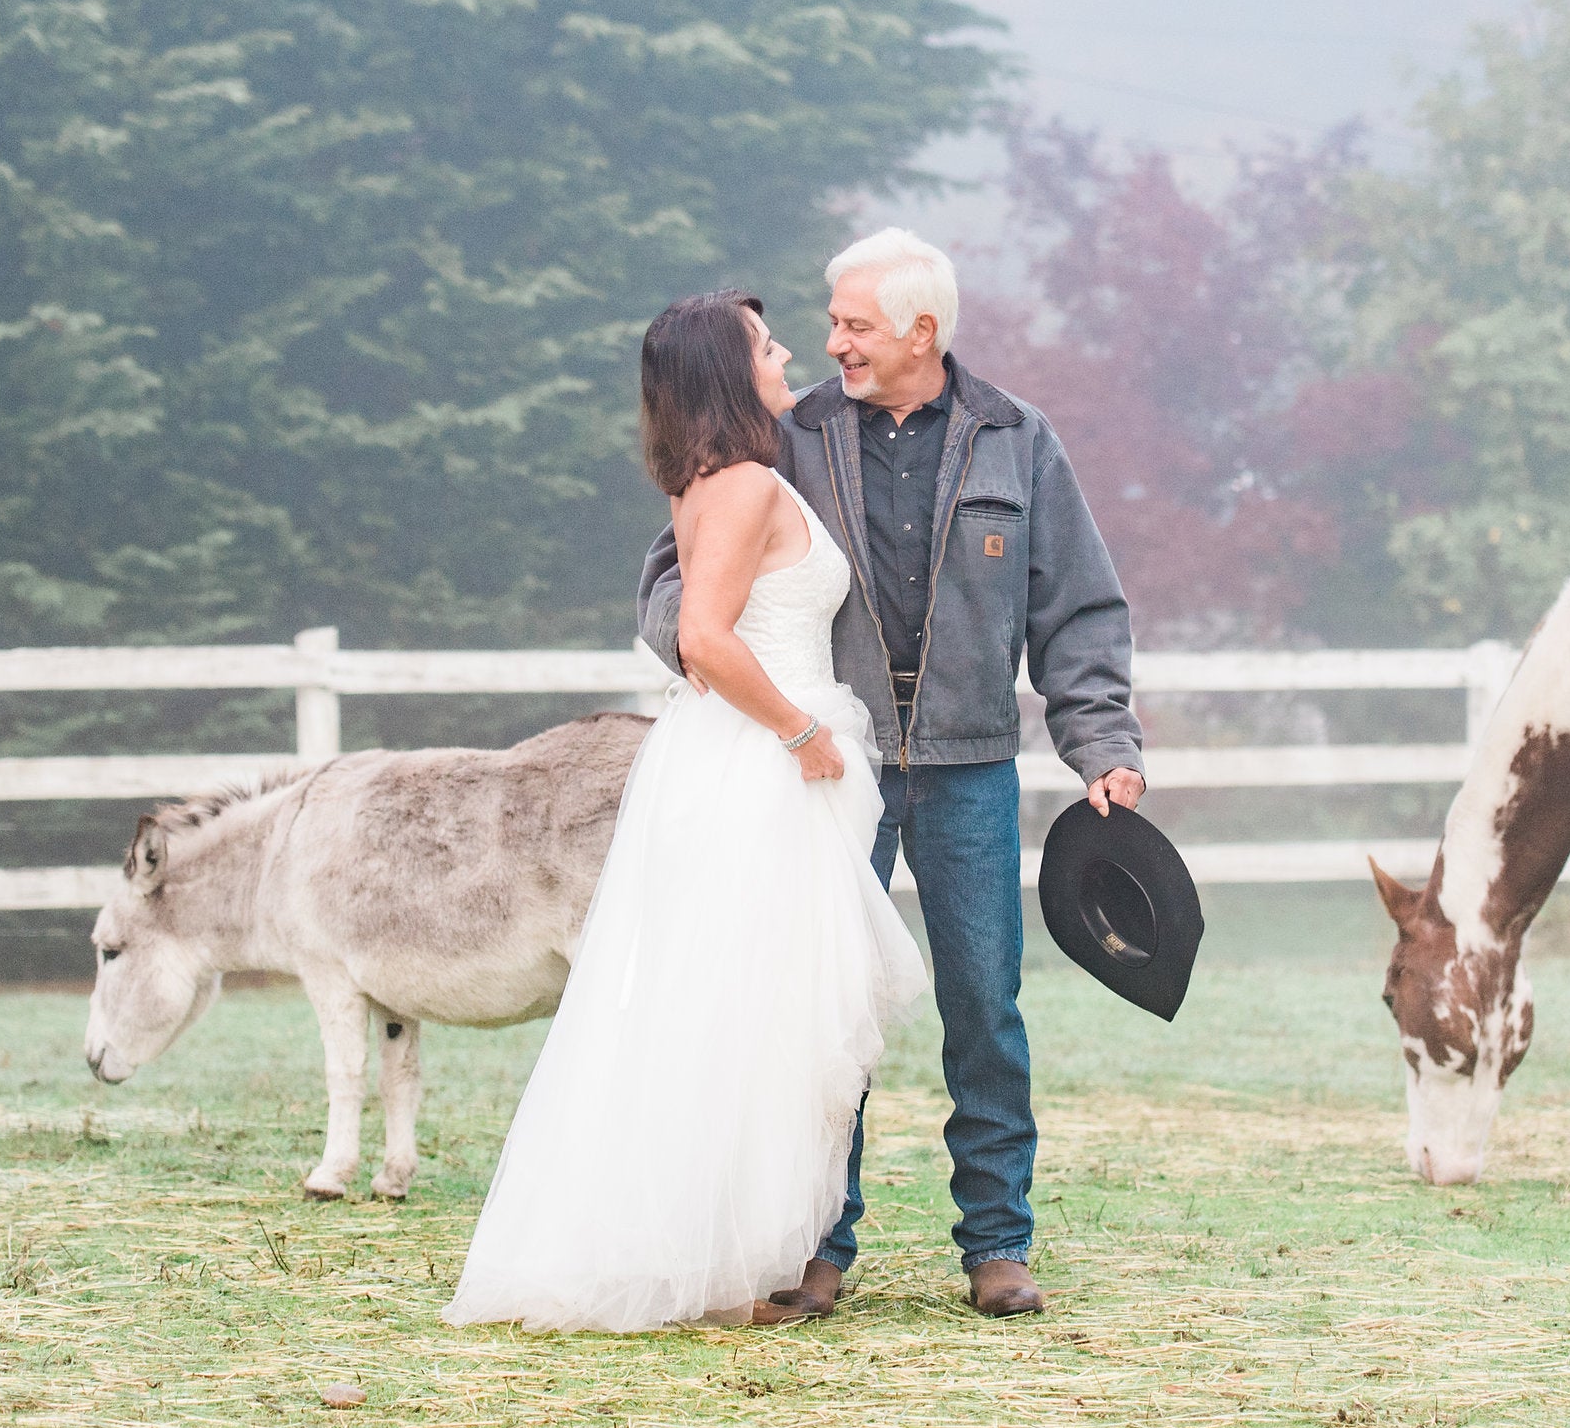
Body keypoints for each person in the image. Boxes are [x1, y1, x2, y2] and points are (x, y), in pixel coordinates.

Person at [638, 229, 1145, 1320]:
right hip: (829, 770)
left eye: (856, 326)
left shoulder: (1019, 441)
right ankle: (815, 1243)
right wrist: (720, 683)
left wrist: (1102, 749)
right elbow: (679, 586)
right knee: (815, 1012)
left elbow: (1081, 614)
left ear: (923, 331)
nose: (834, 346)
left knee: (984, 1007)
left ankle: (997, 1245)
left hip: (972, 773)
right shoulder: (789, 434)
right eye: (828, 327)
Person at [445, 293, 928, 1333]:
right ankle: (704, 1272)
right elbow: (703, 637)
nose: (788, 351)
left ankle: (711, 1262)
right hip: (757, 768)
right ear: (725, 370)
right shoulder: (747, 485)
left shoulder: (707, 485)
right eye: (765, 343)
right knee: (745, 1017)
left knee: (716, 1010)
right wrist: (801, 734)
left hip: (729, 760)